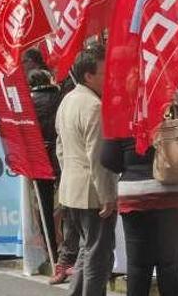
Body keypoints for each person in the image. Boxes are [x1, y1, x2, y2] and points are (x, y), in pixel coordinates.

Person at [100, 124, 178, 296]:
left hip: (136, 195)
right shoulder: (173, 110)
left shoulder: (123, 116)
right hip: (174, 195)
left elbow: (107, 159)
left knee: (137, 265)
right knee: (170, 264)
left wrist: (131, 167)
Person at [56, 46, 117, 296]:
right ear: (89, 76)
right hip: (92, 192)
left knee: (86, 250)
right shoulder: (93, 105)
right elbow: (97, 157)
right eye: (105, 72)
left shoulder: (68, 99)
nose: (109, 77)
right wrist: (107, 195)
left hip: (72, 189)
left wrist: (70, 175)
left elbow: (61, 148)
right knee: (98, 256)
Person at [27, 69, 62, 282]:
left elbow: (1, 128)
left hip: (38, 156)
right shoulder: (61, 97)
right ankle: (68, 251)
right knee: (68, 204)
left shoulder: (28, 101)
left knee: (45, 206)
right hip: (59, 154)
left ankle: (53, 253)